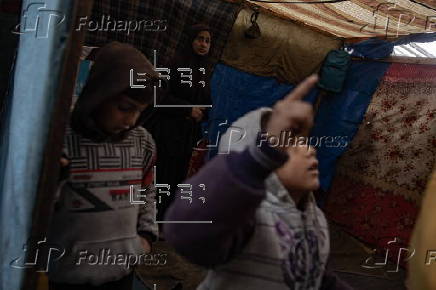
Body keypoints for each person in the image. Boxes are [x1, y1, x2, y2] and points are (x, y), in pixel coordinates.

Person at [164, 76, 353, 289]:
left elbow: (316, 276)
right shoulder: (247, 216)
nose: (309, 150)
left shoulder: (315, 217)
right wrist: (261, 155)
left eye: (305, 142)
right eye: (290, 146)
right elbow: (187, 234)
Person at [47, 42, 160, 290]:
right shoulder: (60, 138)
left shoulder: (142, 142)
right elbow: (35, 210)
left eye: (140, 111)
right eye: (124, 108)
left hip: (122, 273)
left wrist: (145, 237)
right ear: (100, 94)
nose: (131, 120)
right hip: (67, 277)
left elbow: (148, 191)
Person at [147, 23, 213, 221]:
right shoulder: (173, 64)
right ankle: (149, 221)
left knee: (176, 178)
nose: (203, 44)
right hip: (166, 132)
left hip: (185, 136)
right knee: (161, 177)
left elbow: (205, 102)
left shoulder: (204, 72)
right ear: (190, 40)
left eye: (208, 41)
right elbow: (159, 97)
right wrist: (187, 109)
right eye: (199, 39)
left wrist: (204, 112)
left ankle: (163, 221)